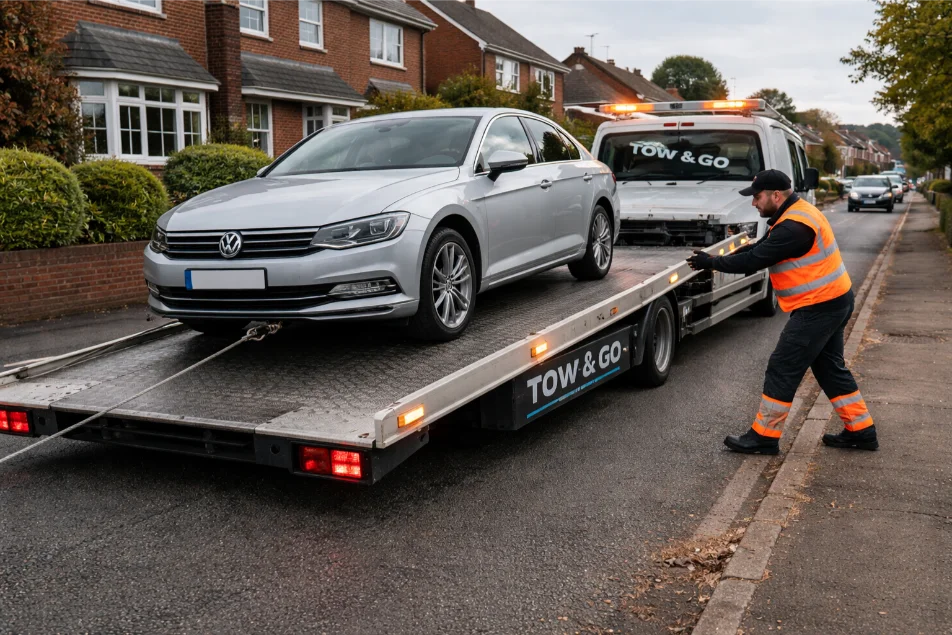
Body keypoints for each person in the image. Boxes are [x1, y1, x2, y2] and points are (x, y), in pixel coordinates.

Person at [687, 169, 878, 454]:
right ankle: (862, 431)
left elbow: (754, 260)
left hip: (819, 306)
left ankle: (764, 437)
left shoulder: (793, 228)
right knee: (829, 368)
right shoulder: (795, 215)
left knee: (783, 366)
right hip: (834, 299)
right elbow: (759, 247)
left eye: (757, 197)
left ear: (776, 196)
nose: (754, 203)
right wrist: (715, 258)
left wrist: (711, 264)